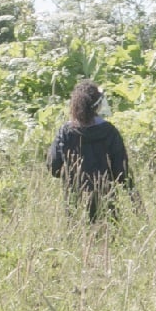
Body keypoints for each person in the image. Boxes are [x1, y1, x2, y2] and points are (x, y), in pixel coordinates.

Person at [49, 80, 134, 220]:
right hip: (106, 200)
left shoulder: (65, 132)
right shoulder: (110, 131)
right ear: (98, 106)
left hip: (75, 201)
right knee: (109, 238)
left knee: (77, 239)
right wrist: (135, 201)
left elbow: (54, 167)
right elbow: (122, 171)